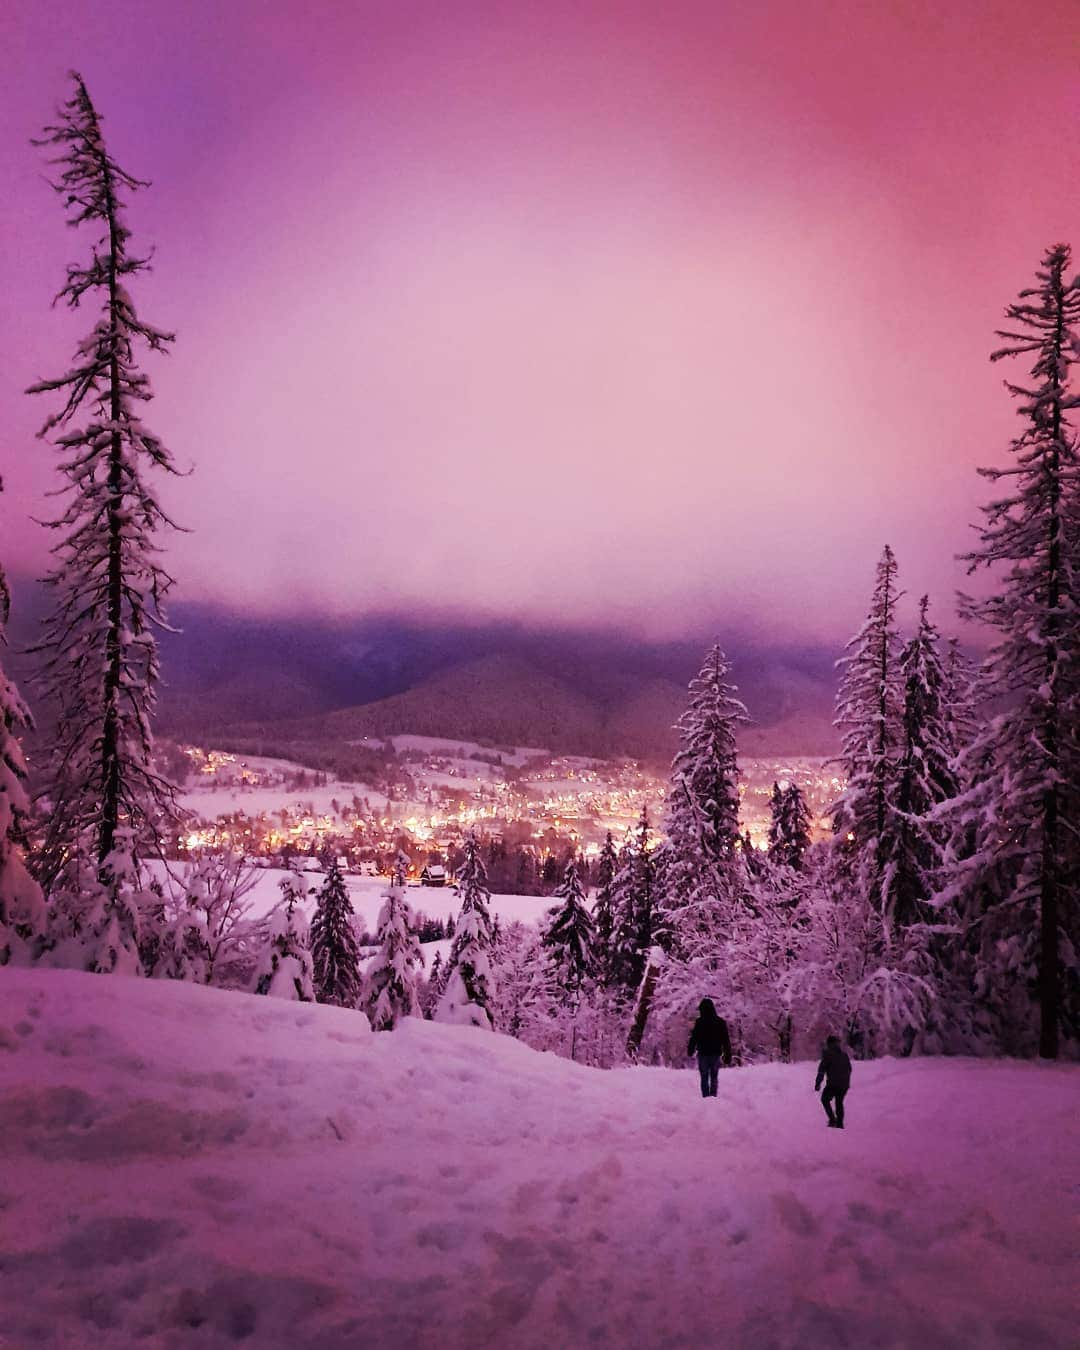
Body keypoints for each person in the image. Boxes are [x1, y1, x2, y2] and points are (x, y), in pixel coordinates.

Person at [687, 998, 732, 1097]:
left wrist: (690, 1049)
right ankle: (713, 1095)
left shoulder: (699, 1022)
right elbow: (725, 1039)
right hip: (715, 1053)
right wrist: (727, 1053)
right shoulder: (720, 1022)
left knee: (704, 1076)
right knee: (714, 1076)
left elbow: (694, 1037)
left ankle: (706, 1097)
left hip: (703, 1053)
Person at [814, 1035, 852, 1128]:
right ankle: (840, 1123)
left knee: (825, 1099)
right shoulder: (844, 1055)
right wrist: (844, 1079)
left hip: (833, 1084)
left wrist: (818, 1084)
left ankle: (832, 1120)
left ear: (829, 1044)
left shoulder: (827, 1054)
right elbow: (849, 1069)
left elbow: (821, 1070)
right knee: (839, 1102)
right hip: (844, 1084)